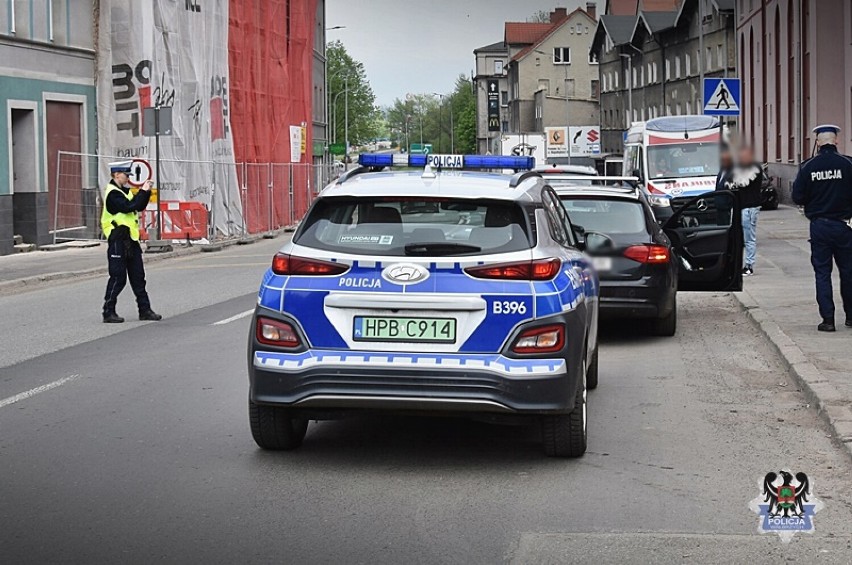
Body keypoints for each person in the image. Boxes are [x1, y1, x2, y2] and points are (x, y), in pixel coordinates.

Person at [792, 125, 852, 332]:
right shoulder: (848, 164)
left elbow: (797, 197)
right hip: (845, 226)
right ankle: (851, 316)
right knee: (848, 272)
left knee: (822, 272)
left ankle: (828, 320)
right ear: (836, 141)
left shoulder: (808, 167)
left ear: (818, 143)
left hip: (819, 226)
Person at [101, 161, 162, 323]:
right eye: (126, 175)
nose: (128, 178)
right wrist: (142, 192)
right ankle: (108, 311)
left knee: (138, 276)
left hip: (131, 240)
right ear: (116, 175)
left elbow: (138, 205)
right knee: (118, 277)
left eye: (129, 175)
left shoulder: (124, 192)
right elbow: (129, 206)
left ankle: (145, 310)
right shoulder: (113, 194)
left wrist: (145, 192)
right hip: (118, 240)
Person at [718, 145, 763, 275]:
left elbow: (740, 183)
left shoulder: (752, 168)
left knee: (749, 238)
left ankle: (749, 265)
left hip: (749, 207)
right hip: (743, 207)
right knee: (741, 237)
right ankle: (740, 264)